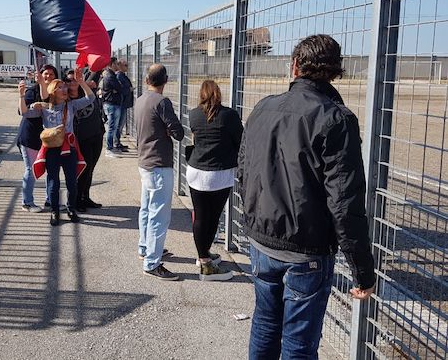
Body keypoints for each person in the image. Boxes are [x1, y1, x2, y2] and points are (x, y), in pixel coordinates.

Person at [237, 34, 375, 359]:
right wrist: (363, 271)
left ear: (295, 66)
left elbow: (243, 169)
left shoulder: (263, 107)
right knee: (298, 346)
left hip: (262, 240)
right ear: (335, 71)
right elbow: (345, 203)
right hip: (305, 251)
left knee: (265, 325)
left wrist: (253, 219)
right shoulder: (336, 118)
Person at [20, 68, 95, 226]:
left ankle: (71, 209)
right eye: (60, 87)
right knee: (53, 181)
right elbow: (24, 112)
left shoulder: (72, 105)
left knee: (71, 182)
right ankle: (54, 211)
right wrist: (21, 96)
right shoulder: (44, 108)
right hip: (52, 150)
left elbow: (90, 97)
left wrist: (81, 82)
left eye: (64, 87)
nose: (64, 89)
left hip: (69, 149)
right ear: (52, 91)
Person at [187, 80, 242, 281]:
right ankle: (205, 264)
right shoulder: (229, 115)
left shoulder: (194, 114)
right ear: (218, 93)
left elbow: (196, 138)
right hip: (219, 174)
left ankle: (204, 255)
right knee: (212, 217)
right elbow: (240, 141)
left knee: (201, 217)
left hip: (196, 171)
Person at [135, 63, 184, 280]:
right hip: (159, 163)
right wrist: (167, 128)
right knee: (159, 215)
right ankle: (152, 262)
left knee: (146, 208)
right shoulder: (162, 101)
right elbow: (178, 132)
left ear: (147, 80)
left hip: (144, 161)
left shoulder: (141, 99)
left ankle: (145, 247)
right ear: (165, 81)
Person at [16, 64, 58, 212]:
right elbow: (23, 112)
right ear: (39, 75)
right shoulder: (32, 91)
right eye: (45, 74)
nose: (48, 77)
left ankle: (51, 200)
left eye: (52, 74)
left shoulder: (55, 92)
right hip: (30, 138)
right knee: (32, 170)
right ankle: (27, 202)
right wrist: (24, 98)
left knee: (50, 169)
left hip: (48, 139)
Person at [65, 69, 104, 212]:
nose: (72, 83)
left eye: (74, 79)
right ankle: (77, 200)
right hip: (81, 139)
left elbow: (97, 70)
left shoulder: (86, 91)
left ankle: (85, 197)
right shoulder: (66, 99)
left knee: (91, 169)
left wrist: (82, 81)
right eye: (68, 80)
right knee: (83, 170)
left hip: (96, 135)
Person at [101, 57, 123, 158]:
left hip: (112, 103)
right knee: (111, 127)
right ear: (112, 64)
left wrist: (117, 90)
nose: (118, 65)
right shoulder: (110, 75)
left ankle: (111, 147)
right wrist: (116, 90)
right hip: (112, 104)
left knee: (112, 126)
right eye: (116, 63)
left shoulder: (110, 74)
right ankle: (109, 149)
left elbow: (118, 88)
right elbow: (119, 88)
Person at [115, 59, 133, 152]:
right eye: (125, 65)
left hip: (124, 103)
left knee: (120, 125)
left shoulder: (122, 76)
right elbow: (120, 89)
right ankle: (116, 143)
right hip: (121, 103)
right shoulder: (119, 76)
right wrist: (129, 89)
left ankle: (118, 142)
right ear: (120, 66)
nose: (127, 67)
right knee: (119, 125)